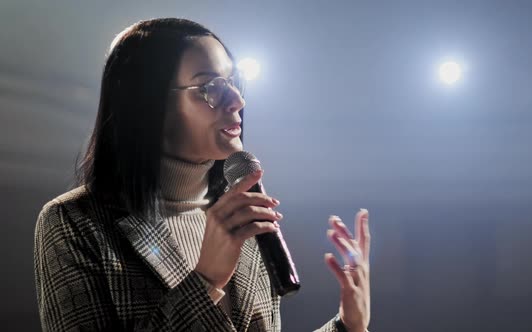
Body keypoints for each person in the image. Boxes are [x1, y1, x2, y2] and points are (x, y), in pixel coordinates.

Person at [34, 18, 371, 332]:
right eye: (209, 87)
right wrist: (206, 280)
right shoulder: (73, 222)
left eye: (233, 82)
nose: (236, 100)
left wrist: (347, 324)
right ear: (148, 105)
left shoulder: (237, 217)